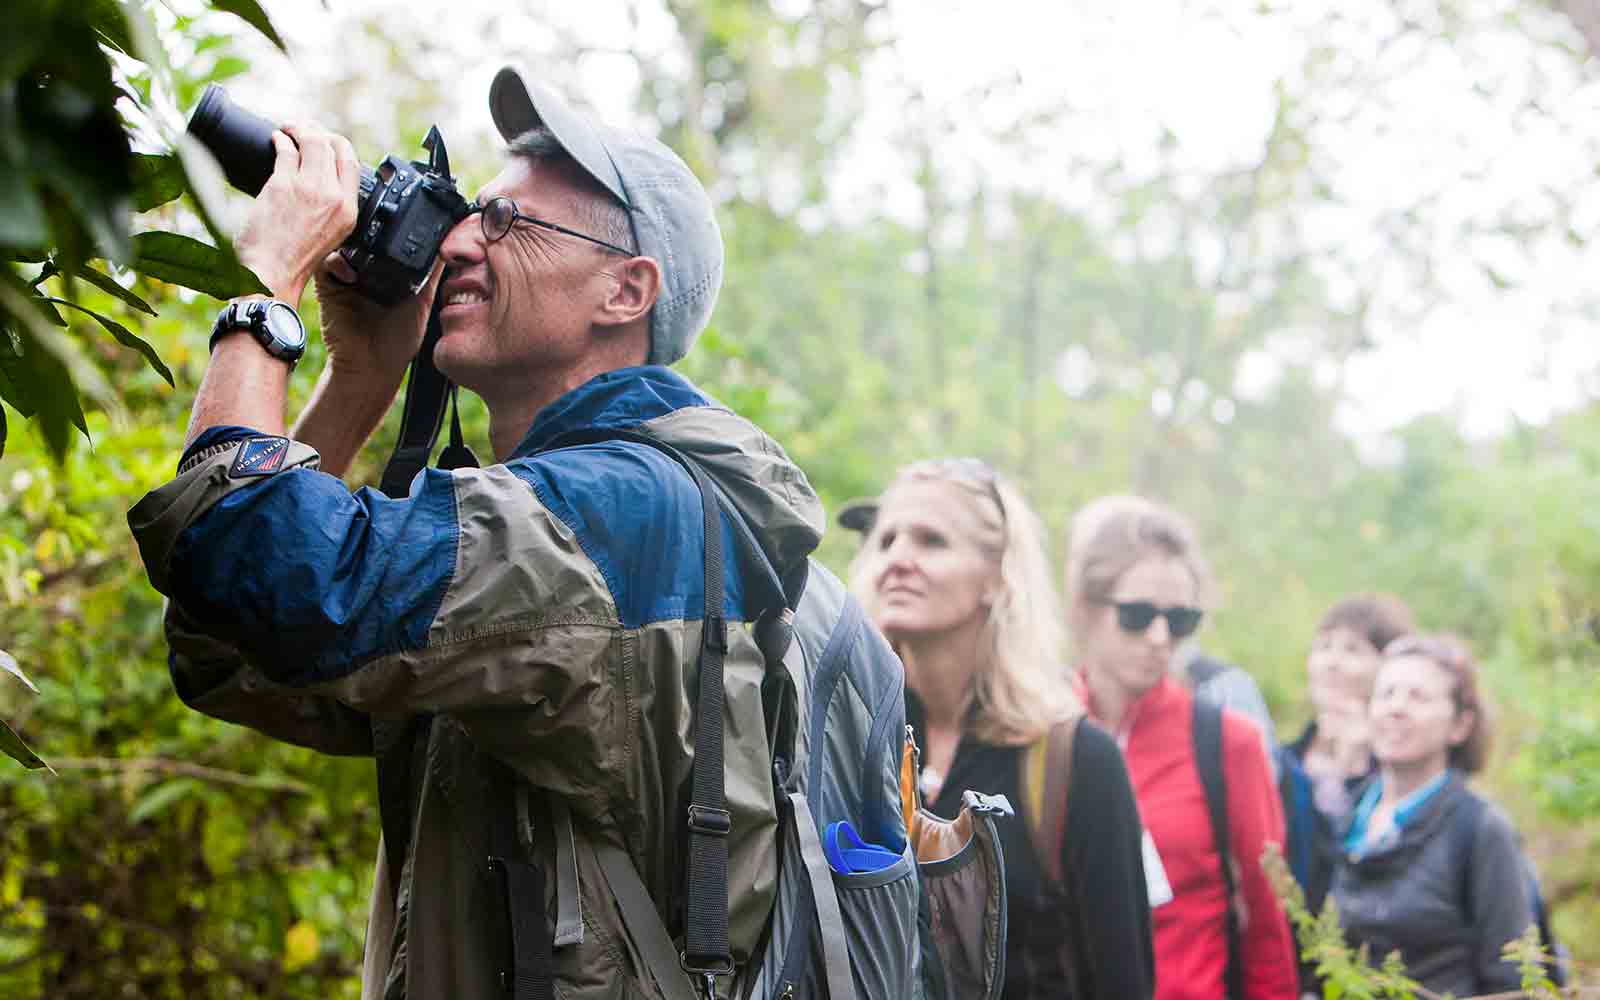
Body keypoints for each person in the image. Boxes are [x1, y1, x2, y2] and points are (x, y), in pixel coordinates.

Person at [128, 67, 827, 999]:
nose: (456, 241)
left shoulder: (622, 512)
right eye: (465, 212)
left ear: (625, 290)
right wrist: (366, 375)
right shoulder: (548, 514)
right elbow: (232, 646)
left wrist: (264, 286)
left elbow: (257, 559)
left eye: (505, 222)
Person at [846, 460, 1155, 1000]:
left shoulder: (1076, 760)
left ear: (997, 577)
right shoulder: (849, 741)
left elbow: (1122, 978)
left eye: (932, 540)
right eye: (887, 538)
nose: (896, 559)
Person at [1063, 495, 1298, 1000]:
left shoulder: (1229, 744)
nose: (1159, 637)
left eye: (1180, 620)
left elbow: (1268, 924)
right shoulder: (1042, 730)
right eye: (1137, 614)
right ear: (1086, 607)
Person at [1330, 633, 1535, 996]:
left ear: (1461, 725)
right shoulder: (1344, 814)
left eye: (1418, 697)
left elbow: (1512, 980)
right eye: (1386, 693)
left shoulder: (1480, 830)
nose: (1396, 708)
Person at [1282, 594, 1414, 913]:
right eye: (1324, 647)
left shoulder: (1407, 766)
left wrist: (1355, 773)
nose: (1332, 662)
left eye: (1352, 649)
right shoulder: (1285, 757)